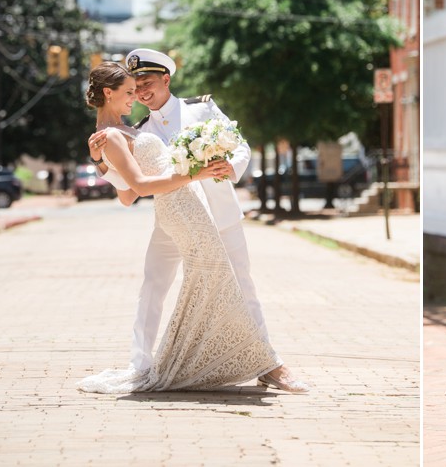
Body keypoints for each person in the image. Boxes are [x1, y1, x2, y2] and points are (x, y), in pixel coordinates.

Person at [87, 49, 307, 393]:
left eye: (147, 83)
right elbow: (129, 188)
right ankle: (140, 363)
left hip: (219, 212)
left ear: (166, 79)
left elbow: (239, 146)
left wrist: (230, 167)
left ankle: (269, 365)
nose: (142, 92)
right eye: (136, 87)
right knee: (152, 286)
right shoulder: (137, 130)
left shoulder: (201, 108)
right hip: (172, 220)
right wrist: (101, 163)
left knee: (242, 285)